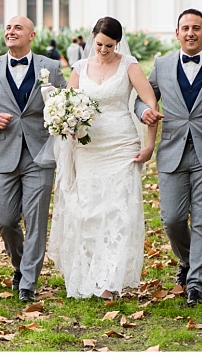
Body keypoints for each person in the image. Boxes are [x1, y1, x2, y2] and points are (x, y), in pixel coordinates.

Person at [47, 17, 159, 298]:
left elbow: (150, 102)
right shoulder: (80, 68)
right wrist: (67, 125)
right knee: (88, 212)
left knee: (117, 213)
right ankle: (90, 273)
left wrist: (149, 145)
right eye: (99, 44)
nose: (104, 49)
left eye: (109, 45)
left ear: (118, 43)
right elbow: (68, 103)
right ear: (92, 39)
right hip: (88, 148)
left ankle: (110, 280)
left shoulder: (129, 66)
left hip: (122, 146)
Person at [135, 8, 202, 307]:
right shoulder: (162, 64)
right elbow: (144, 97)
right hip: (172, 150)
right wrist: (144, 111)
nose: (190, 33)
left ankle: (196, 283)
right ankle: (188, 259)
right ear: (177, 33)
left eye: (196, 28)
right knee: (172, 219)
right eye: (185, 28)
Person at [0, 16, 67, 302]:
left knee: (35, 220)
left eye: (17, 28)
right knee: (6, 219)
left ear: (31, 35)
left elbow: (62, 103)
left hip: (40, 153)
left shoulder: (50, 68)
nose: (11, 31)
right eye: (8, 28)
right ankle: (20, 266)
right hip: (4, 152)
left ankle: (28, 282)